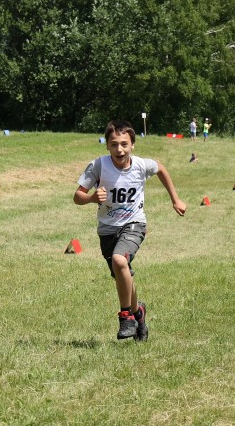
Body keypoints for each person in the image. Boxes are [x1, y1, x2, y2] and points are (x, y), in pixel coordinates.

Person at [74, 120, 186, 341]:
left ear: (133, 145)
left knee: (119, 260)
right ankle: (139, 313)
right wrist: (91, 198)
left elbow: (160, 168)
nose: (119, 149)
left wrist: (176, 199)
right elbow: (77, 196)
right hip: (107, 229)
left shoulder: (141, 165)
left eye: (124, 144)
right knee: (122, 275)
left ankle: (126, 316)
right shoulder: (98, 166)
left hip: (134, 224)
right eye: (114, 144)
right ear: (106, 145)